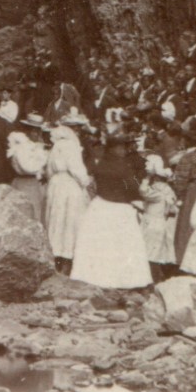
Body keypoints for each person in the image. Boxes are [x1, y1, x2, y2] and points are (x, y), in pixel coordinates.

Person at [71, 136, 152, 289]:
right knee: (121, 246)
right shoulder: (123, 167)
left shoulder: (101, 164)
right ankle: (122, 282)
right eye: (120, 148)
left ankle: (97, 279)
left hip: (100, 206)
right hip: (119, 208)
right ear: (112, 149)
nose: (123, 151)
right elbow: (133, 188)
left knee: (101, 245)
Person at [43, 112, 93, 269]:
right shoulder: (71, 145)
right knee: (69, 221)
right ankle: (66, 259)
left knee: (56, 219)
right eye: (77, 128)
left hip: (56, 183)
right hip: (68, 185)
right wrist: (86, 181)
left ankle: (56, 256)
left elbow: (49, 169)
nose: (78, 132)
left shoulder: (57, 145)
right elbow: (76, 168)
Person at [139, 153, 179, 282]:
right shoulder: (169, 192)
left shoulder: (157, 192)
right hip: (161, 222)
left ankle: (151, 279)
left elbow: (143, 191)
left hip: (152, 223)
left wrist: (146, 177)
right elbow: (173, 208)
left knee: (149, 253)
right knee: (155, 253)